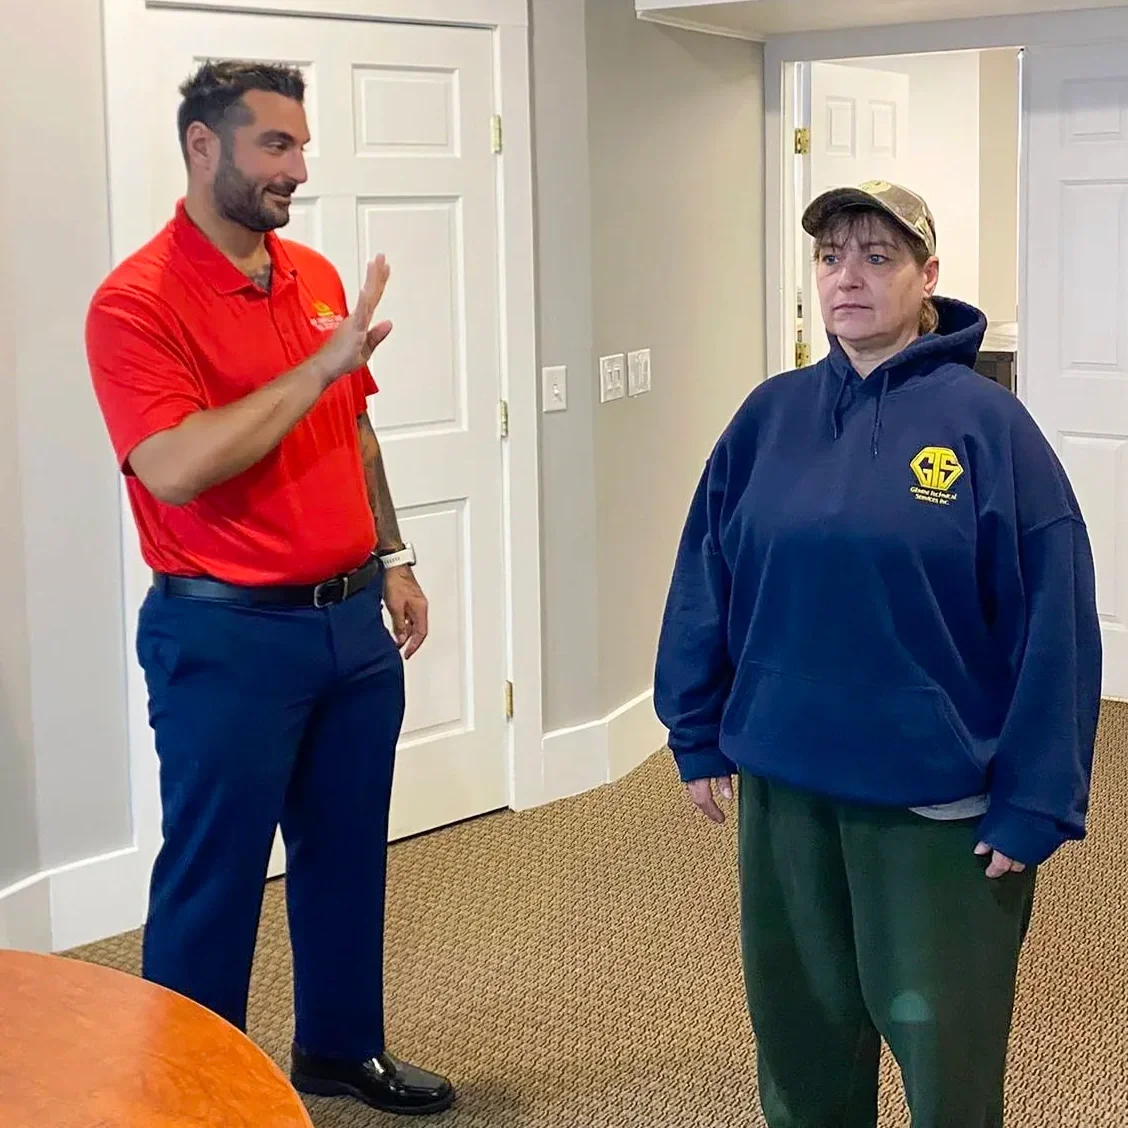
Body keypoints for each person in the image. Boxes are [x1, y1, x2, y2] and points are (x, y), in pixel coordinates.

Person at [654, 181, 1101, 1127]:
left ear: (927, 275)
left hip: (933, 806)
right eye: (830, 257)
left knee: (947, 1050)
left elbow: (1055, 619)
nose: (847, 277)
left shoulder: (988, 427)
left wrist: (1038, 799)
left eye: (877, 256)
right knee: (803, 1040)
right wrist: (694, 726)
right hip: (785, 791)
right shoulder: (768, 417)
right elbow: (707, 572)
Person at [85, 60, 454, 1117]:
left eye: (301, 144)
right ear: (205, 147)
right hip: (227, 638)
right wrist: (321, 366)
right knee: (217, 876)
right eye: (276, 146)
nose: (299, 168)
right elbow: (176, 464)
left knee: (346, 855)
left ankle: (340, 1049)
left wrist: (394, 555)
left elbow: (359, 424)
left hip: (348, 623)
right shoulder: (137, 302)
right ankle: (192, 1092)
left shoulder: (316, 275)